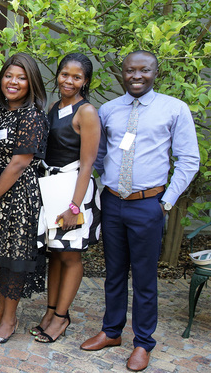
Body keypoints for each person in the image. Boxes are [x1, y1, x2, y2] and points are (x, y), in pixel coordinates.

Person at [80, 51, 199, 372]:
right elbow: (99, 154)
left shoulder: (174, 109)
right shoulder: (108, 110)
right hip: (113, 203)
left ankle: (143, 343)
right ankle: (111, 331)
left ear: (154, 73)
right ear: (122, 73)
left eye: (144, 70)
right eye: (130, 70)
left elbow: (189, 159)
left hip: (149, 204)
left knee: (145, 279)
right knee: (114, 274)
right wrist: (103, 188)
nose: (136, 76)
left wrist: (167, 201)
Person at [0, 52, 48, 345]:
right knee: (1, 256)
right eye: (9, 75)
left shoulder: (32, 114)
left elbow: (20, 162)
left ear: (31, 83)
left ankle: (9, 320)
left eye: (21, 77)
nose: (13, 82)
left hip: (17, 196)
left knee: (15, 257)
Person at [30, 53, 101, 344]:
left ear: (85, 81)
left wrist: (74, 207)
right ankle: (50, 311)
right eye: (64, 74)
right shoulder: (56, 106)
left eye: (76, 77)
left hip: (74, 190)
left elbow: (87, 164)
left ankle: (61, 317)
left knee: (70, 255)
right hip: (52, 186)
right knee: (55, 254)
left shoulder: (86, 112)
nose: (68, 80)